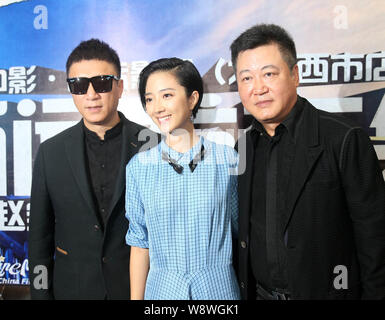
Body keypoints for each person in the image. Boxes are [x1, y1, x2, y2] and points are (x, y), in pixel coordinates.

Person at [231, 24, 385, 300]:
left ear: (295, 74)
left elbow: (375, 240)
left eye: (269, 74)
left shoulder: (344, 139)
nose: (258, 88)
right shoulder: (243, 146)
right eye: (246, 78)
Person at [28, 39, 157, 299]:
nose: (91, 94)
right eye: (78, 85)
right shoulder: (50, 153)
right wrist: (40, 295)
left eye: (101, 82)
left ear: (119, 87)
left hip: (137, 291)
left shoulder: (153, 146)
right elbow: (39, 240)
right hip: (72, 291)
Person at [125, 57, 240, 300]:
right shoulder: (138, 168)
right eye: (149, 99)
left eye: (167, 95)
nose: (157, 107)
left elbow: (241, 231)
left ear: (192, 98)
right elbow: (139, 243)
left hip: (217, 291)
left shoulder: (228, 160)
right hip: (162, 292)